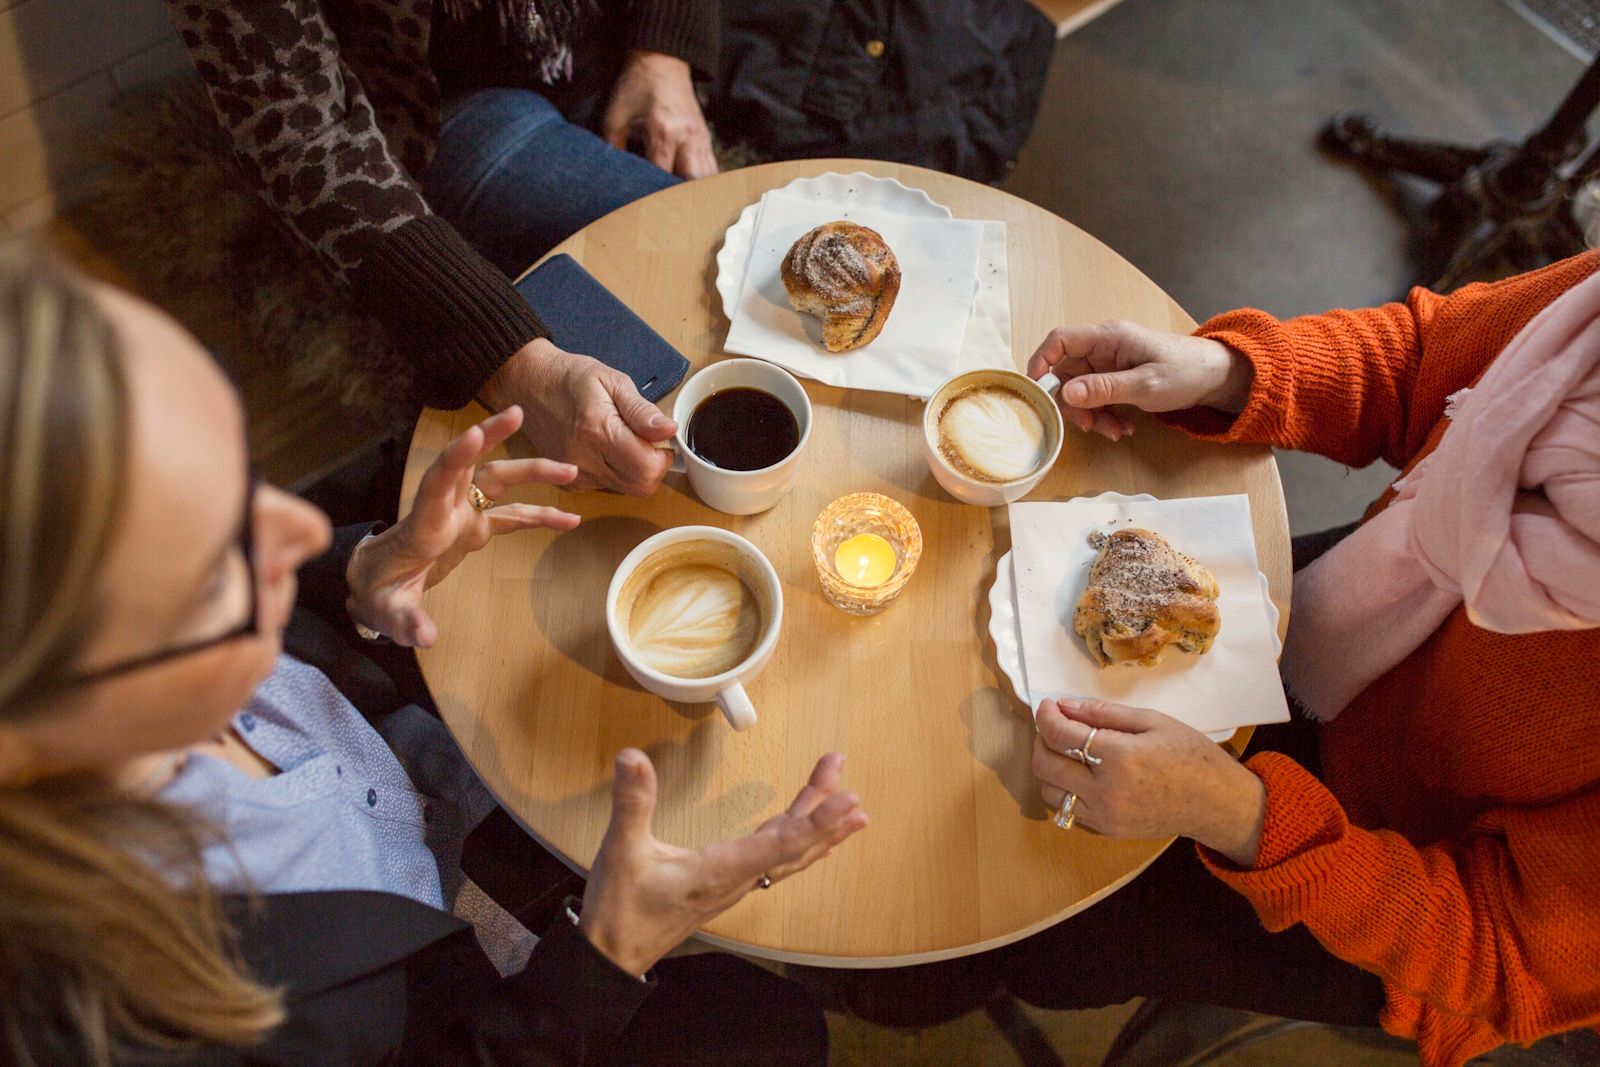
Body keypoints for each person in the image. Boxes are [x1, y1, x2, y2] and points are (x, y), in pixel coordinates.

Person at [0, 237, 867, 1067]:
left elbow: (300, 574)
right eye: (202, 571)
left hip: (435, 782)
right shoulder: (127, 1018)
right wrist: (602, 956)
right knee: (772, 1024)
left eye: (243, 487)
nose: (299, 527)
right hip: (466, 989)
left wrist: (363, 575)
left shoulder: (114, 646)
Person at [1000, 254, 1600, 1066]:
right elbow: (1431, 358)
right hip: (1363, 603)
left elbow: (1502, 953)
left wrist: (1238, 813)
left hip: (1386, 884)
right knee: (1008, 712)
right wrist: (1231, 371)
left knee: (1041, 919)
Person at [164, 0, 722, 496]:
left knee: (728, 273)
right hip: (436, 107)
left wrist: (664, 48)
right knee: (691, 283)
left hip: (612, 35)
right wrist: (516, 365)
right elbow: (301, 137)